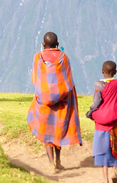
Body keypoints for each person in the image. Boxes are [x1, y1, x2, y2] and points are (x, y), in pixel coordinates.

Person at [27, 32, 82, 173]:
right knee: (58, 132)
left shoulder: (38, 58)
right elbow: (69, 82)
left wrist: (45, 93)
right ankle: (58, 162)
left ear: (43, 45)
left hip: (43, 104)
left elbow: (36, 79)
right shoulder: (64, 58)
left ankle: (51, 164)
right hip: (62, 104)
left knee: (47, 133)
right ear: (57, 45)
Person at [86, 61, 117, 183]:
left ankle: (105, 179)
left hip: (102, 122)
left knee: (103, 150)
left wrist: (90, 112)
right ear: (115, 72)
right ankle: (114, 171)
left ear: (102, 71)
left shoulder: (99, 86)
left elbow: (97, 103)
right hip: (115, 120)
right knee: (114, 145)